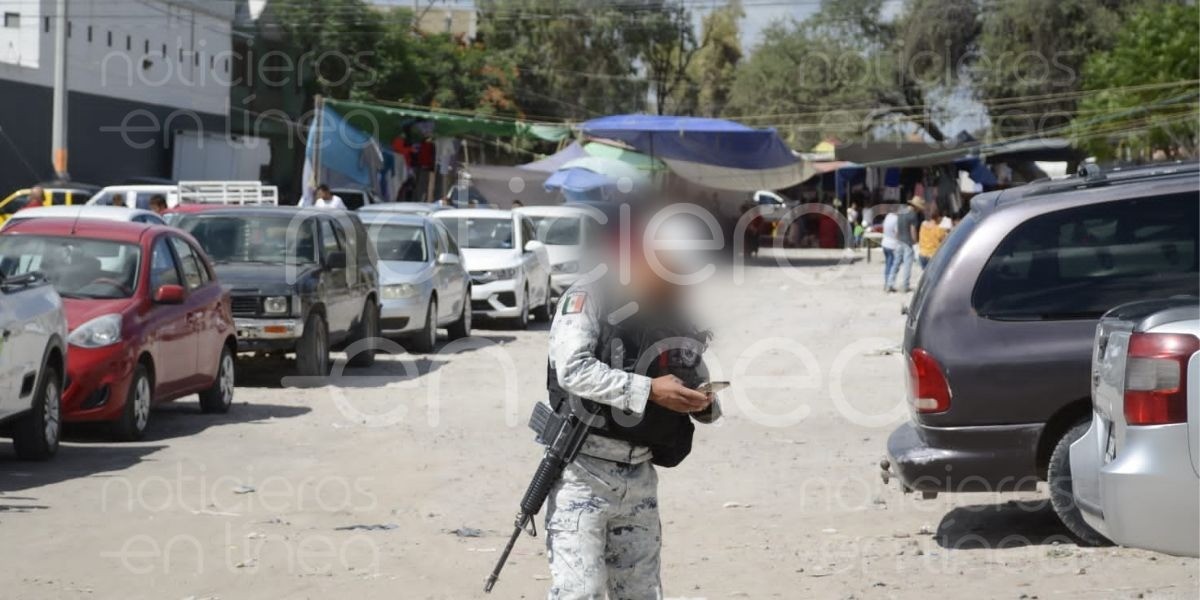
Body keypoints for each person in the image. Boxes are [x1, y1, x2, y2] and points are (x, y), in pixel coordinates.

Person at [544, 203, 720, 599]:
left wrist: (704, 404)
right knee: (580, 593)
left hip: (640, 477)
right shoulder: (588, 296)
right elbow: (572, 368)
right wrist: (649, 390)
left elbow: (697, 377)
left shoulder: (668, 308)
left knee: (640, 594)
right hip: (583, 474)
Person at [893, 196, 924, 293]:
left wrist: (897, 237)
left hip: (899, 241)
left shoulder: (901, 211)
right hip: (907, 242)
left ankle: (889, 283)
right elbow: (912, 230)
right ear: (916, 207)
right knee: (907, 264)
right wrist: (915, 241)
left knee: (896, 262)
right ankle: (905, 285)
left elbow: (897, 228)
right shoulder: (913, 215)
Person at [881, 210, 900, 292]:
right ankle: (889, 284)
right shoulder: (896, 219)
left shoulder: (888, 216)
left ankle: (886, 283)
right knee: (892, 266)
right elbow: (897, 233)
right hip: (892, 244)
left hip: (885, 242)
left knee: (887, 264)